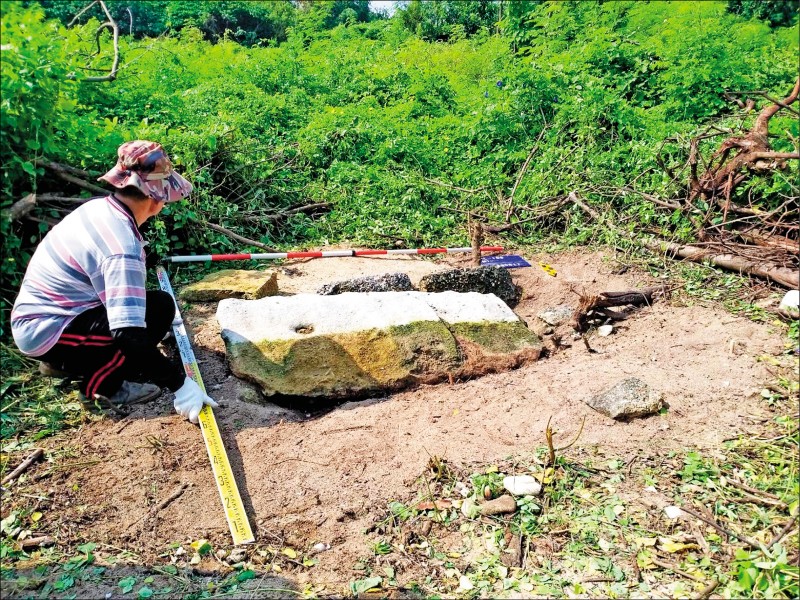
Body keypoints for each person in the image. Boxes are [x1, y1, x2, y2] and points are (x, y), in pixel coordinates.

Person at [11, 140, 218, 423]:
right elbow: (127, 335)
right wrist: (180, 384)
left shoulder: (101, 208)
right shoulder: (122, 248)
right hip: (44, 328)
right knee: (141, 331)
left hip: (54, 312)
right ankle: (99, 388)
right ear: (156, 198)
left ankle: (65, 363)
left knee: (159, 307)